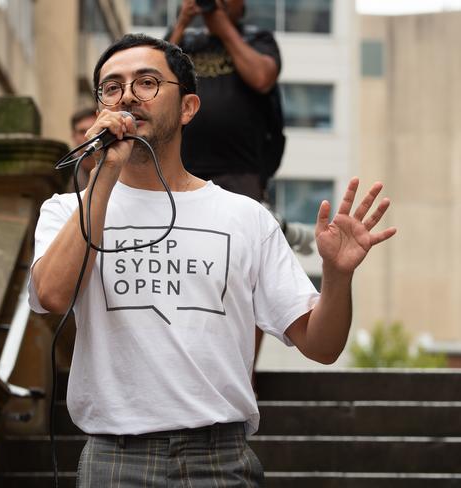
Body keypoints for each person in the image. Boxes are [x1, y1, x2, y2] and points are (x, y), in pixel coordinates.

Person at [29, 33, 396, 487]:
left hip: (220, 458)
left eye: (147, 82)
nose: (127, 96)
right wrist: (105, 171)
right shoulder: (68, 211)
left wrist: (338, 277)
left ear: (188, 108)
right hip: (115, 458)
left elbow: (321, 346)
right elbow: (51, 295)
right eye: (112, 87)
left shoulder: (246, 217)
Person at [168, 0, 284, 365]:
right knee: (183, 267)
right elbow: (153, 81)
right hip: (179, 171)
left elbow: (262, 77)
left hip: (241, 171)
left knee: (243, 272)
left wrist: (223, 29)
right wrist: (183, 22)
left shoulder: (257, 38)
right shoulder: (181, 45)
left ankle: (242, 367)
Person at [68, 107, 98, 191]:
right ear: (74, 136)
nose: (87, 136)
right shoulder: (66, 167)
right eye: (82, 132)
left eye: (93, 129)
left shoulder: (114, 161)